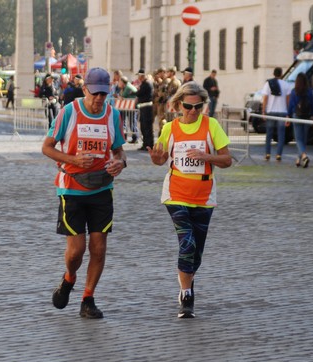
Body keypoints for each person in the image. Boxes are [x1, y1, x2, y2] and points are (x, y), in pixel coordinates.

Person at [41, 67, 127, 319]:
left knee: (99, 248)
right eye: (95, 93)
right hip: (72, 188)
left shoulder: (112, 115)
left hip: (102, 188)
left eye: (104, 94)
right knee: (77, 250)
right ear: (84, 89)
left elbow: (119, 150)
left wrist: (120, 163)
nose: (99, 99)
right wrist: (73, 160)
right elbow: (47, 148)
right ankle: (69, 278)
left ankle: (88, 299)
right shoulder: (69, 113)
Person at [147, 81, 232, 318]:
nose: (193, 111)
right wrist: (156, 158)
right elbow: (161, 159)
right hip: (176, 193)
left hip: (204, 196)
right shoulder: (170, 128)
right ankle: (187, 296)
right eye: (188, 106)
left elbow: (227, 160)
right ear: (178, 105)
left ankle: (188, 282)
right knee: (187, 243)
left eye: (198, 106)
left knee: (196, 253)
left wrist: (206, 156)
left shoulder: (211, 125)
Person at [287, 72, 313, 168]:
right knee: (303, 139)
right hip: (307, 116)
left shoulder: (294, 91)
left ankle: (303, 156)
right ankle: (298, 159)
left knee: (298, 139)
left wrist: (288, 115)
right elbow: (312, 104)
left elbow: (291, 105)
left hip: (297, 116)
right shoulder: (309, 91)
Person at [262, 67, 290, 161]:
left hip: (271, 111)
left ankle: (267, 153)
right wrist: (288, 113)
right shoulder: (286, 84)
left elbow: (265, 98)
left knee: (269, 134)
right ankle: (279, 154)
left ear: (273, 74)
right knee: (281, 134)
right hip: (282, 112)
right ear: (281, 74)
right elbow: (288, 100)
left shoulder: (268, 84)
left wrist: (263, 111)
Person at [136, 68, 154, 150]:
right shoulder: (144, 84)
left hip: (146, 108)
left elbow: (139, 93)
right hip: (143, 107)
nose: (138, 78)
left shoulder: (146, 84)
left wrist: (137, 90)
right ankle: (145, 143)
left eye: (139, 76)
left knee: (147, 127)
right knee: (143, 126)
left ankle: (149, 144)